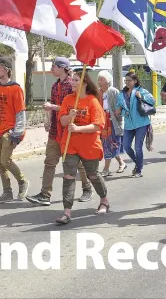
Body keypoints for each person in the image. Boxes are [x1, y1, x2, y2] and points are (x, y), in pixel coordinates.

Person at [26, 57, 93, 205]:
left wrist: (53, 107)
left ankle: (87, 188)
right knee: (49, 162)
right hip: (56, 131)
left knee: (78, 162)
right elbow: (54, 106)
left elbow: (70, 108)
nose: (51, 69)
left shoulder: (72, 85)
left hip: (69, 130)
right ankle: (45, 194)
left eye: (54, 66)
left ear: (62, 68)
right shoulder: (55, 85)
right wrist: (48, 118)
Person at [54, 73, 111, 224]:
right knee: (68, 177)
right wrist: (69, 116)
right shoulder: (68, 99)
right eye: (72, 79)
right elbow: (63, 121)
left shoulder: (93, 101)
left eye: (76, 80)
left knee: (92, 175)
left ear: (84, 83)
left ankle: (104, 200)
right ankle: (67, 212)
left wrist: (79, 129)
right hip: (69, 145)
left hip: (89, 146)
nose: (72, 82)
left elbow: (98, 125)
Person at [0, 56, 28, 203]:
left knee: (6, 160)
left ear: (7, 70)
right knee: (0, 164)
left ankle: (22, 181)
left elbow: (20, 112)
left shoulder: (15, 89)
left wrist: (16, 133)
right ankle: (7, 192)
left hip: (9, 132)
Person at [121, 71, 155, 177]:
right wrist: (123, 112)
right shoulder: (122, 93)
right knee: (126, 146)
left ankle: (139, 170)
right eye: (126, 80)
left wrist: (141, 97)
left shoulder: (141, 90)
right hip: (128, 124)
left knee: (138, 148)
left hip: (141, 123)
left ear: (135, 81)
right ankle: (138, 163)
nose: (127, 82)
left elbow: (153, 101)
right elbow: (120, 107)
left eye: (129, 80)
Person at [97, 70, 128, 176]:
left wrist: (118, 112)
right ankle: (122, 163)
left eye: (102, 79)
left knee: (110, 144)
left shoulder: (113, 91)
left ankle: (106, 169)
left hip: (112, 121)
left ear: (108, 81)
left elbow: (121, 104)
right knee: (107, 144)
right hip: (102, 120)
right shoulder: (98, 92)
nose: (100, 81)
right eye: (99, 79)